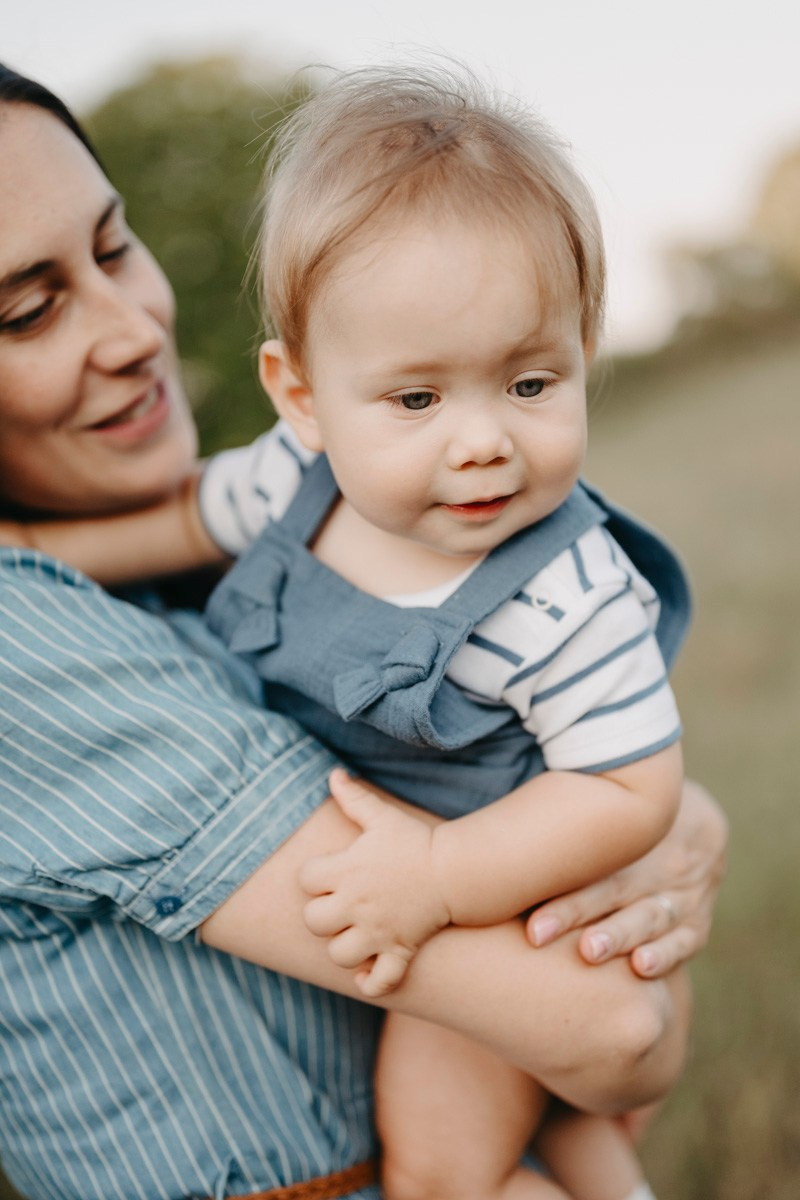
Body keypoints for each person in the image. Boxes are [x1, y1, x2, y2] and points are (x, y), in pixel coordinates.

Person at [0, 61, 728, 1200]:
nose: (482, 442)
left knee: (457, 1158)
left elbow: (627, 800)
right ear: (299, 396)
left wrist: (462, 867)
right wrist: (31, 557)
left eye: (531, 383)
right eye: (417, 399)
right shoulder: (290, 485)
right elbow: (179, 522)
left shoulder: (564, 590)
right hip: (460, 931)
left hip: (499, 889)